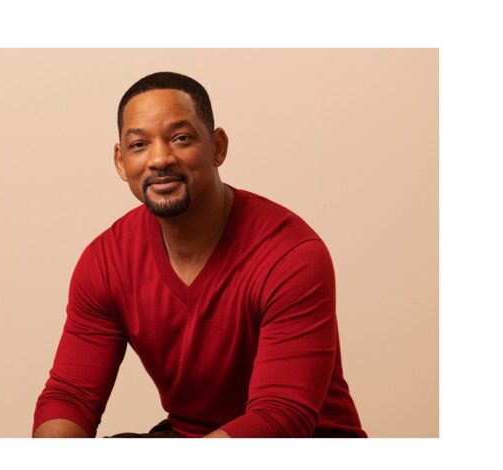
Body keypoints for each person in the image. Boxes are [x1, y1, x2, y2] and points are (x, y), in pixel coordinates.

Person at [32, 71, 366, 438]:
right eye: (139, 144)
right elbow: (72, 396)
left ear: (217, 147)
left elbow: (281, 418)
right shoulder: (106, 261)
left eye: (181, 138)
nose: (160, 159)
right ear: (120, 161)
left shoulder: (290, 255)